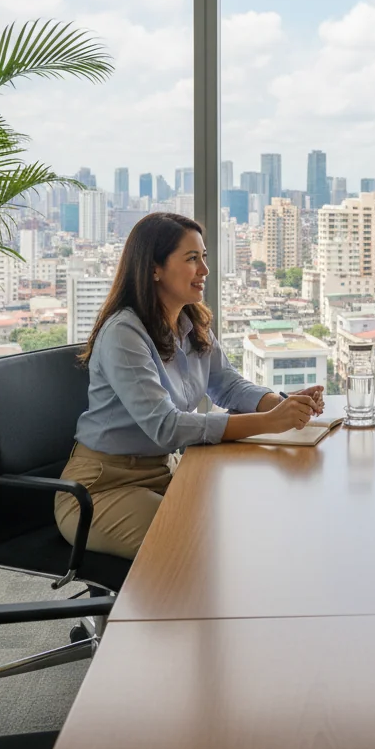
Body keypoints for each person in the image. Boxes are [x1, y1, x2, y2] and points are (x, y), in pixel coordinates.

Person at [54, 212, 323, 560]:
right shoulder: (124, 333)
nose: (204, 270)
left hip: (165, 471)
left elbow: (226, 384)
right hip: (102, 487)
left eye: (204, 257)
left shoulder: (189, 322)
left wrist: (281, 404)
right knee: (193, 545)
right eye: (192, 259)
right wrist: (272, 421)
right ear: (155, 268)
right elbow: (165, 426)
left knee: (244, 520)